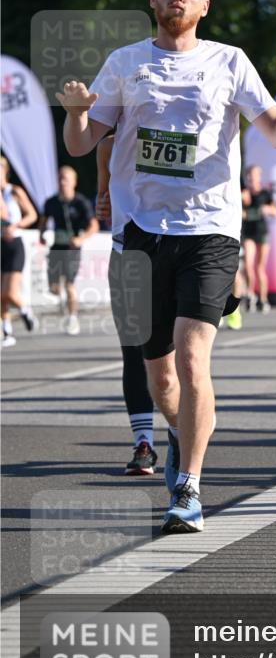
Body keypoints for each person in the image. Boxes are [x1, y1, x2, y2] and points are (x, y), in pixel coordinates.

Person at [56, 0, 276, 535]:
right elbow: (81, 143)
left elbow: (272, 127)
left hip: (210, 230)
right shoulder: (124, 63)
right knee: (160, 379)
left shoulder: (229, 61)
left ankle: (189, 487)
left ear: (205, 4)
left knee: (193, 356)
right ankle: (180, 433)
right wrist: (75, 114)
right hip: (139, 233)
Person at [96, 134, 156, 475]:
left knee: (178, 355)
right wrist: (103, 205)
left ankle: (181, 432)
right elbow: (103, 201)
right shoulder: (108, 145)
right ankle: (143, 443)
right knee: (134, 352)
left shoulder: (177, 127)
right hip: (126, 254)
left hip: (176, 252)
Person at [38, 166, 99, 336]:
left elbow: (94, 225)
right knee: (53, 287)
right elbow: (43, 221)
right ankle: (64, 303)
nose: (62, 183)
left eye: (65, 179)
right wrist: (41, 234)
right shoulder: (51, 202)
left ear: (74, 182)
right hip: (56, 247)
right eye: (60, 179)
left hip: (72, 248)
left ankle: (72, 318)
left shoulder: (81, 202)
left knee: (69, 284)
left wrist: (81, 238)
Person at [1, 156, 38, 347]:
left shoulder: (14, 191)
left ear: (5, 170)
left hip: (14, 244)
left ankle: (25, 310)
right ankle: (6, 333)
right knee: (0, 294)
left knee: (8, 292)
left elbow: (32, 214)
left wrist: (15, 225)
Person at [241, 164, 276, 313]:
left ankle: (263, 299)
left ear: (259, 176)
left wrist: (268, 210)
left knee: (259, 268)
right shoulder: (243, 193)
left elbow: (275, 211)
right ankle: (250, 294)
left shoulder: (265, 193)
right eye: (249, 175)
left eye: (254, 174)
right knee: (248, 264)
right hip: (248, 232)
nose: (251, 178)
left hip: (262, 232)